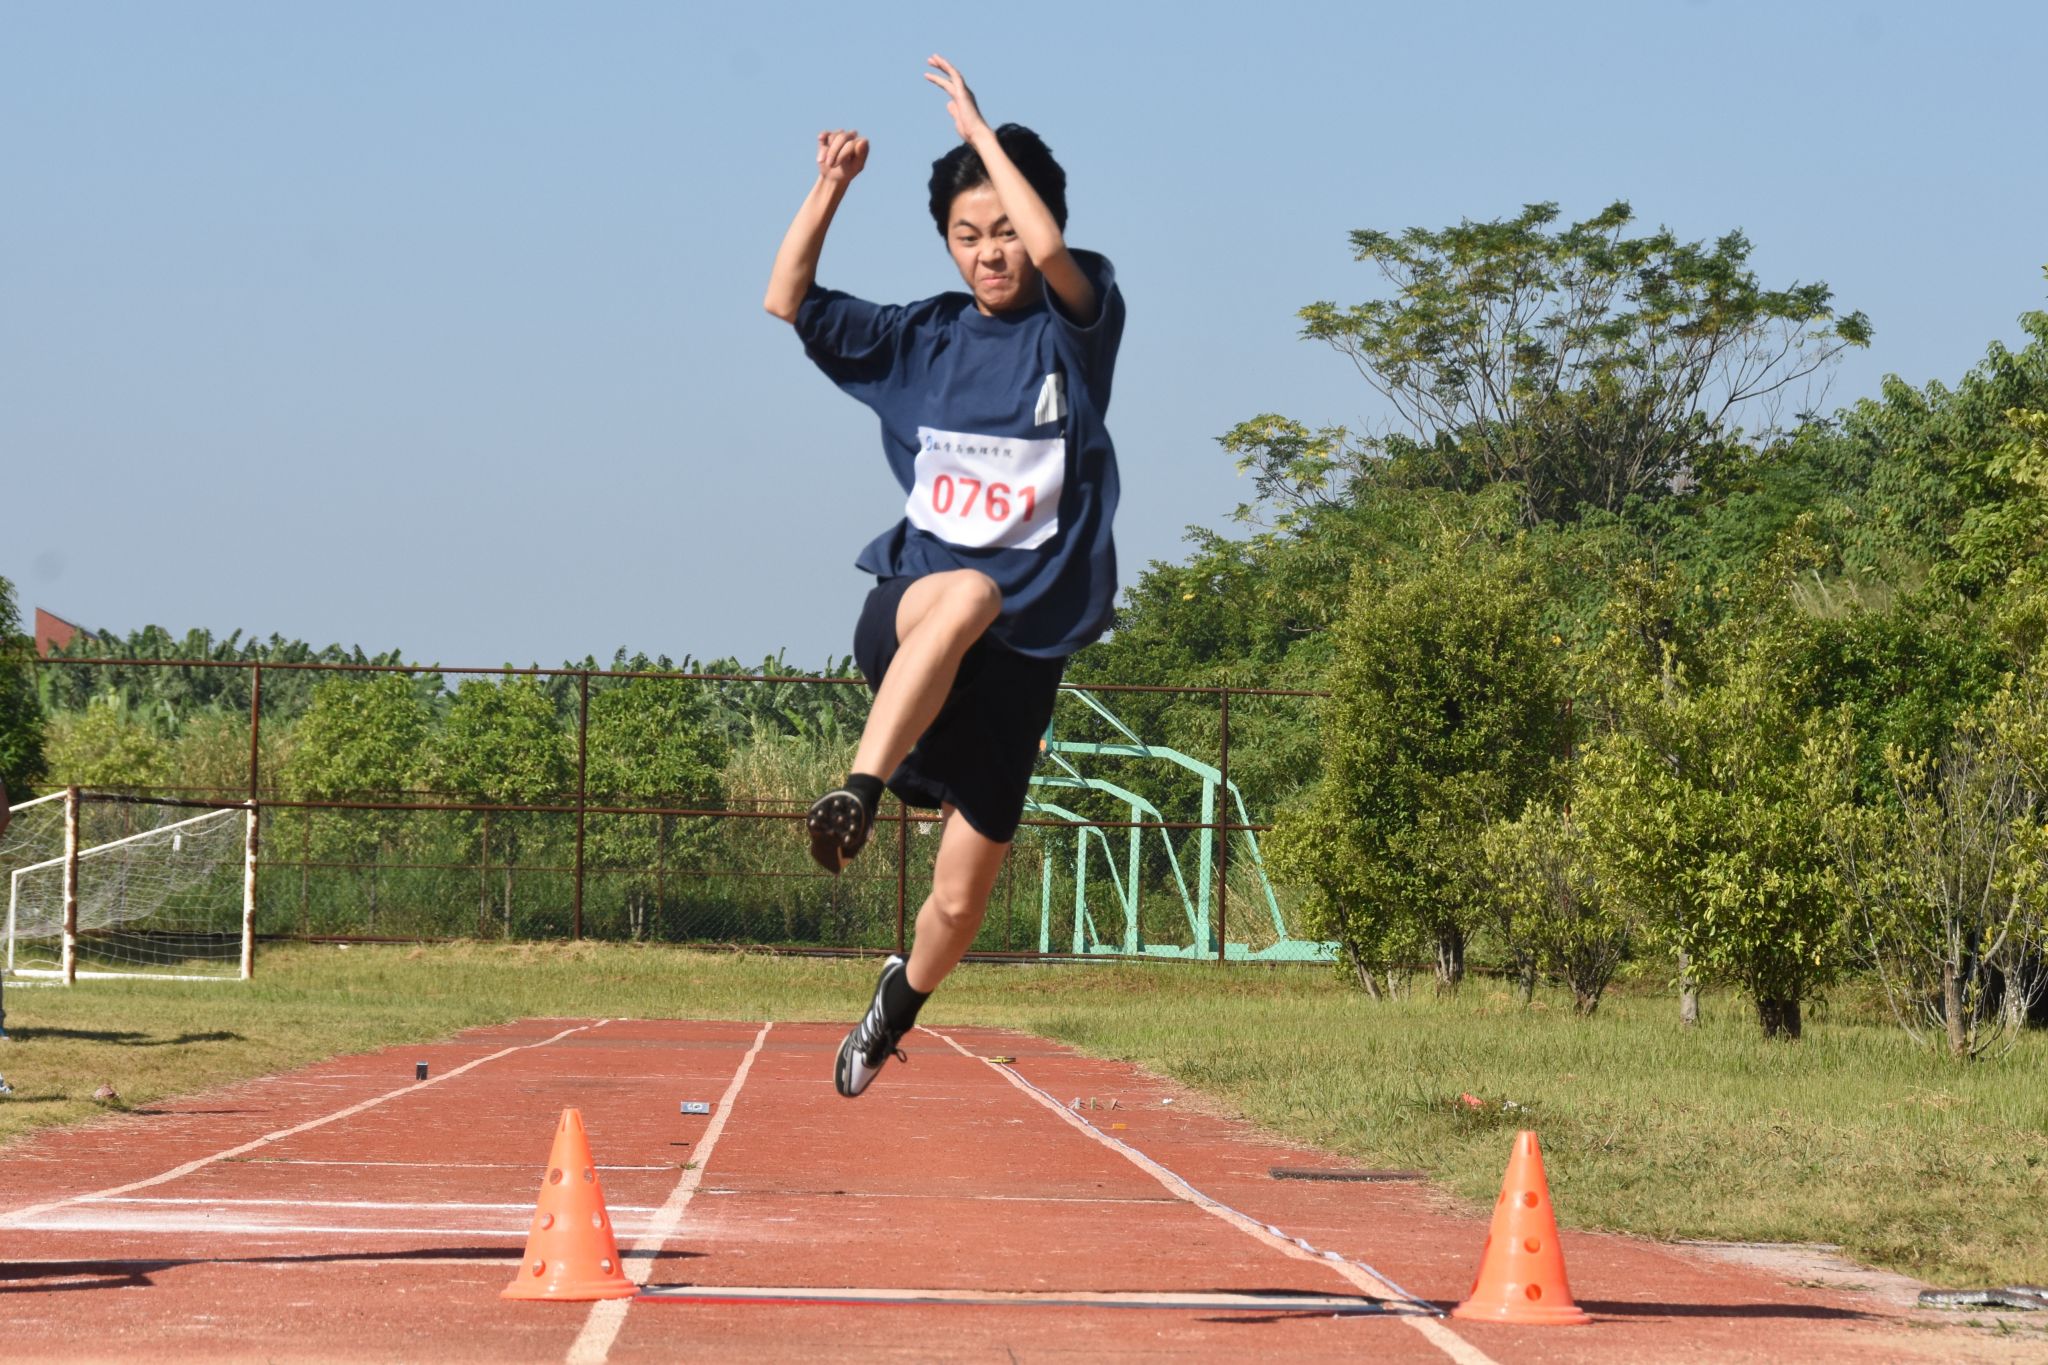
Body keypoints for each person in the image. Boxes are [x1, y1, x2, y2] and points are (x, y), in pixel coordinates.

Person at [763, 55, 1125, 1098]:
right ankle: (857, 792)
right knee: (969, 590)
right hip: (915, 614)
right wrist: (830, 186)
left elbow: (1052, 252)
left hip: (1019, 660)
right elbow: (786, 296)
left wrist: (978, 133)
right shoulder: (917, 338)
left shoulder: (1076, 329)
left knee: (959, 906)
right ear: (946, 245)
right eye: (967, 236)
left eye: (1003, 229)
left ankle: (893, 1008)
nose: (990, 252)